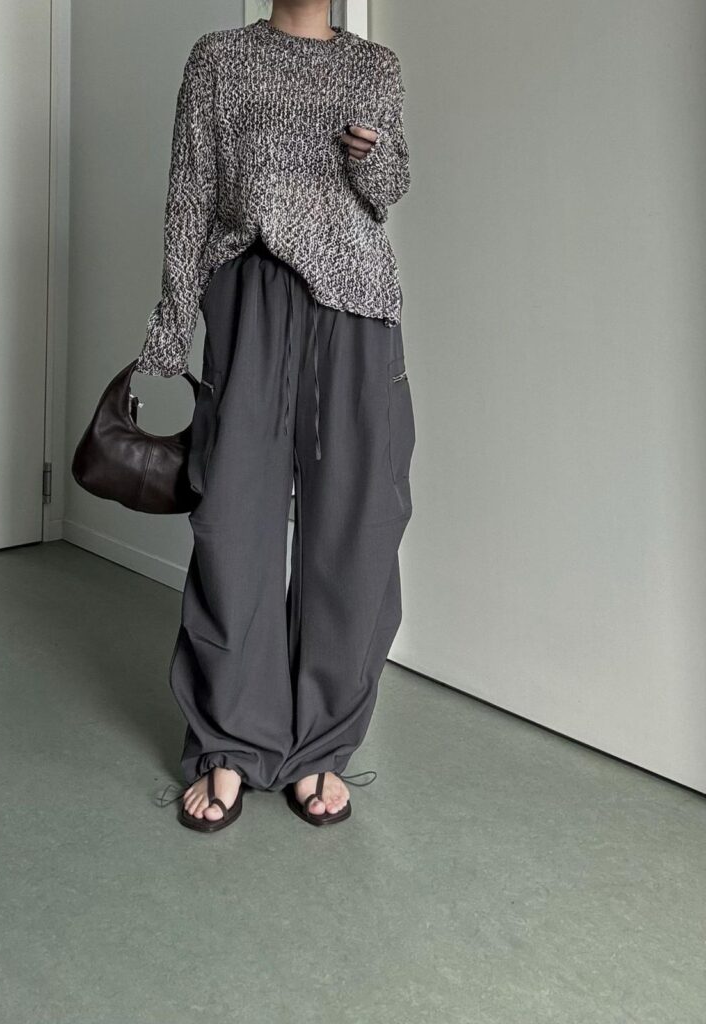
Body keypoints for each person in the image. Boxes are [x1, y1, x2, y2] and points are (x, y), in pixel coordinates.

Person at [137, 0, 415, 832]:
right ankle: (231, 741)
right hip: (251, 293)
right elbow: (190, 195)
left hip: (356, 307)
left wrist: (370, 158)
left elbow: (389, 192)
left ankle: (322, 746)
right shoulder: (218, 58)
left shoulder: (375, 66)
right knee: (233, 519)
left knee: (359, 526)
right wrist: (172, 321)